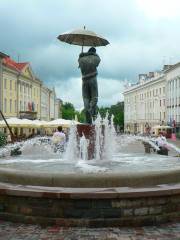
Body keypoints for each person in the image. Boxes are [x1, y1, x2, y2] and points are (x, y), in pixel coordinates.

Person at [78, 47, 101, 124]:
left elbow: (79, 64)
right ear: (94, 52)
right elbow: (98, 60)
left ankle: (88, 119)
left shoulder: (81, 59)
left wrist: (81, 55)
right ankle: (91, 108)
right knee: (94, 97)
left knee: (86, 98)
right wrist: (93, 54)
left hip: (84, 81)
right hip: (93, 79)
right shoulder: (95, 57)